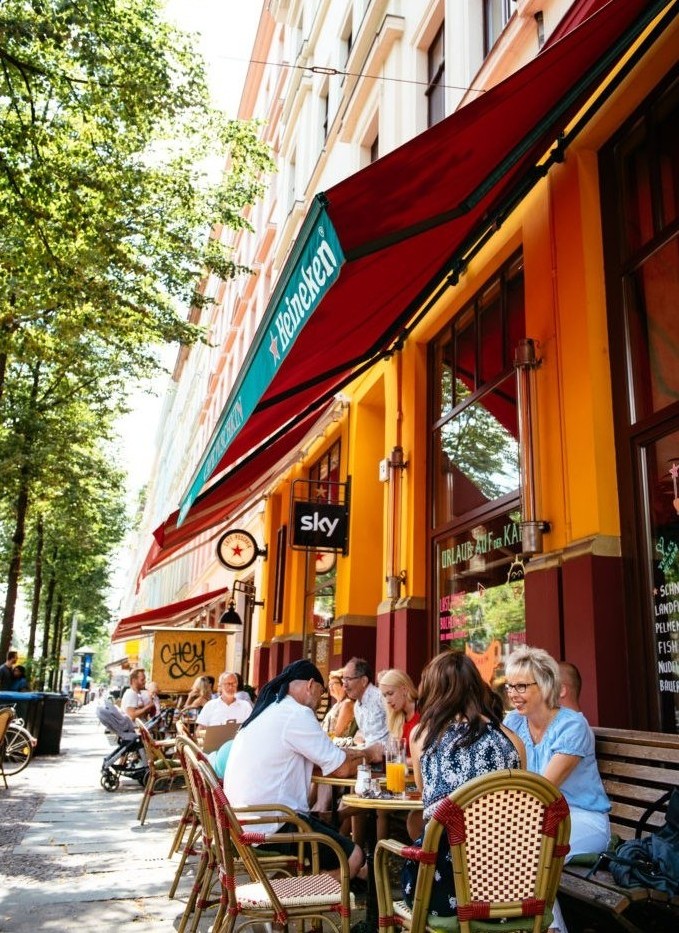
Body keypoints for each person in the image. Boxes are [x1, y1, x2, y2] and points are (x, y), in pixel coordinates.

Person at [403, 651, 525, 918]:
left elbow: (427, 798)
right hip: (511, 886)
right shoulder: (512, 739)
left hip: (445, 893)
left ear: (433, 690)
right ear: (476, 687)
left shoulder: (422, 735)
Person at [224, 659, 367, 880]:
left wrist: (343, 756)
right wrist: (370, 754)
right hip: (271, 824)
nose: (320, 701)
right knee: (353, 857)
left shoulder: (267, 711)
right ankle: (289, 897)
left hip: (240, 822)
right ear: (310, 685)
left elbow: (323, 762)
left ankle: (279, 892)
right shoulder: (297, 713)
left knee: (331, 836)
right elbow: (341, 769)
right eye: (321, 693)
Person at [504, 646, 611, 933]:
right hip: (534, 821)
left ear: (546, 685)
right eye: (510, 686)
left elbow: (543, 790)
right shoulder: (513, 722)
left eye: (521, 686)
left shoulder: (572, 726)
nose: (513, 694)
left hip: (582, 819)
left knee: (526, 851)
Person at [341, 657, 389, 763]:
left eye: (348, 679)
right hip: (369, 760)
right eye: (343, 679)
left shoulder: (381, 697)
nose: (344, 685)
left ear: (364, 681)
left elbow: (398, 731)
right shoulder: (357, 706)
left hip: (387, 761)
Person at [378, 668, 420, 755]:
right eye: (385, 696)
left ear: (404, 690)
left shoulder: (424, 711)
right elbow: (394, 753)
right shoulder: (396, 717)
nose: (388, 700)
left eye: (390, 693)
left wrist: (402, 759)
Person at [322, 670, 356, 738]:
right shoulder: (336, 705)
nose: (330, 686)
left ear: (344, 685)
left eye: (333, 683)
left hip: (334, 743)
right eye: (329, 684)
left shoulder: (347, 703)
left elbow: (337, 733)